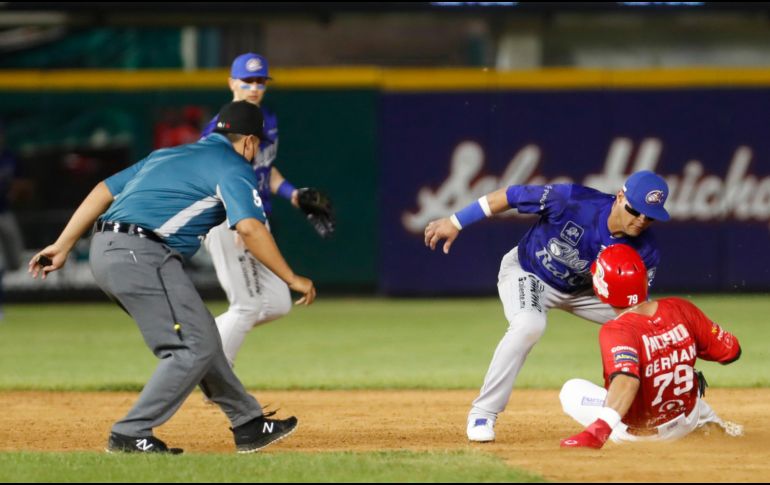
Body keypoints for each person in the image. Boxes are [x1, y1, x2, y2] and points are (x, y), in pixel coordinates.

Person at [28, 101, 316, 454]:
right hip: (142, 253)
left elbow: (103, 191)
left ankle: (249, 422)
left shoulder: (166, 155)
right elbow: (251, 228)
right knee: (190, 348)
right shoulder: (234, 167)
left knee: (203, 335)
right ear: (251, 142)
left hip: (108, 251)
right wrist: (291, 278)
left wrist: (62, 244)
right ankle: (130, 433)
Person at [424, 170, 670, 442]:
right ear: (620, 196)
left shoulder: (646, 249)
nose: (640, 221)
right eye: (635, 211)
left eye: (650, 217)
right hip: (529, 273)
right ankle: (483, 412)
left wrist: (646, 326)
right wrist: (456, 222)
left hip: (588, 293)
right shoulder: (571, 200)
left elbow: (634, 302)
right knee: (529, 324)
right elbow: (508, 196)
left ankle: (678, 408)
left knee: (652, 326)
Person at [200, 52, 333, 368]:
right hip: (229, 217)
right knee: (246, 305)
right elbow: (210, 175)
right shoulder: (219, 128)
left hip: (255, 215)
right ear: (232, 82)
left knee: (276, 303)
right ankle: (214, 375)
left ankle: (197, 343)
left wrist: (293, 194)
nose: (254, 87)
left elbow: (264, 168)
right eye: (247, 81)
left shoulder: (266, 120)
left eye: (260, 81)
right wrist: (236, 217)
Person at [559, 244, 743, 448]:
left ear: (601, 287)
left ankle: (623, 433)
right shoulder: (681, 308)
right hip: (686, 421)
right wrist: (678, 347)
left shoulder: (617, 330)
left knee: (570, 390)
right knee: (683, 380)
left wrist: (599, 430)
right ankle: (713, 424)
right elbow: (731, 351)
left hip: (640, 434)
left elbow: (626, 381)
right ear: (645, 279)